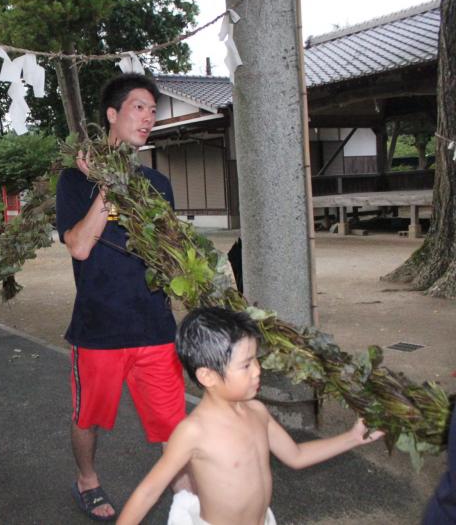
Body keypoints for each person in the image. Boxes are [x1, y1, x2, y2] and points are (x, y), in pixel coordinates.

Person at [56, 73, 188, 521]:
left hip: (154, 325)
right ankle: (87, 480)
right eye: (139, 107)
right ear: (112, 115)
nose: (149, 117)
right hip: (99, 327)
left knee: (174, 422)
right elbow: (79, 245)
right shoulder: (75, 181)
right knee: (87, 417)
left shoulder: (158, 183)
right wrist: (109, 185)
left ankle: (187, 495)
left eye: (153, 109)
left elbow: (170, 254)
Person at [117, 307, 384, 525]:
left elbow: (296, 456)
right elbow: (149, 491)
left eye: (256, 359)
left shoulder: (257, 411)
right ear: (207, 376)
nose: (257, 370)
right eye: (245, 365)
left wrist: (352, 438)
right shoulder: (193, 432)